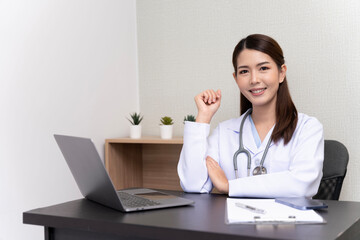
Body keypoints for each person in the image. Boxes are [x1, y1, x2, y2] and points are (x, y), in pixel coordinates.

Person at [177, 34, 324, 198]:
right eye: (244, 71)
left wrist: (229, 186)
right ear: (236, 78)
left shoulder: (307, 128)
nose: (254, 80)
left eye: (263, 68)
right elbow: (193, 185)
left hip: (287, 223)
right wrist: (203, 118)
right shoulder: (223, 132)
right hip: (233, 223)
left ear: (281, 72)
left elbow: (302, 185)